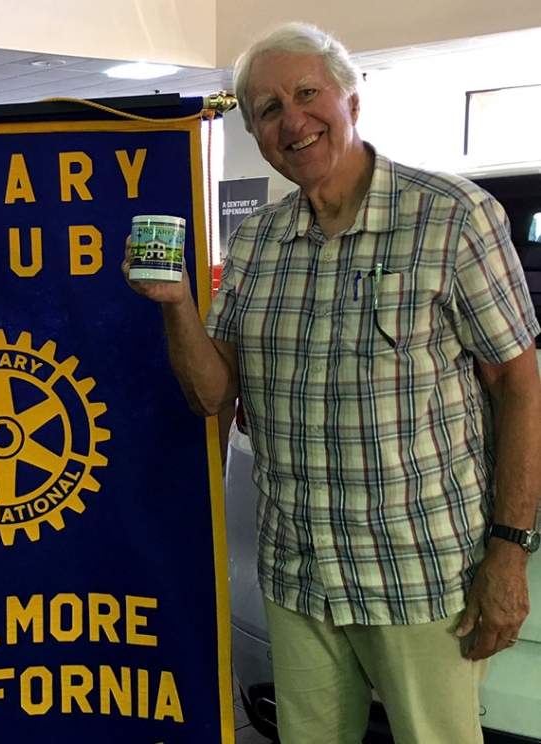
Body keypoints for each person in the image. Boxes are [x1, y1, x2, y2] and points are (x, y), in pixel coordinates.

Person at [125, 21, 541, 744]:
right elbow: (213, 394)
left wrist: (509, 551)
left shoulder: (453, 217)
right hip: (298, 573)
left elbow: (517, 384)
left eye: (307, 93)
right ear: (254, 131)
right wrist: (177, 305)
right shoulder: (258, 240)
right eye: (267, 109)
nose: (293, 121)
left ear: (353, 98)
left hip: (419, 574)